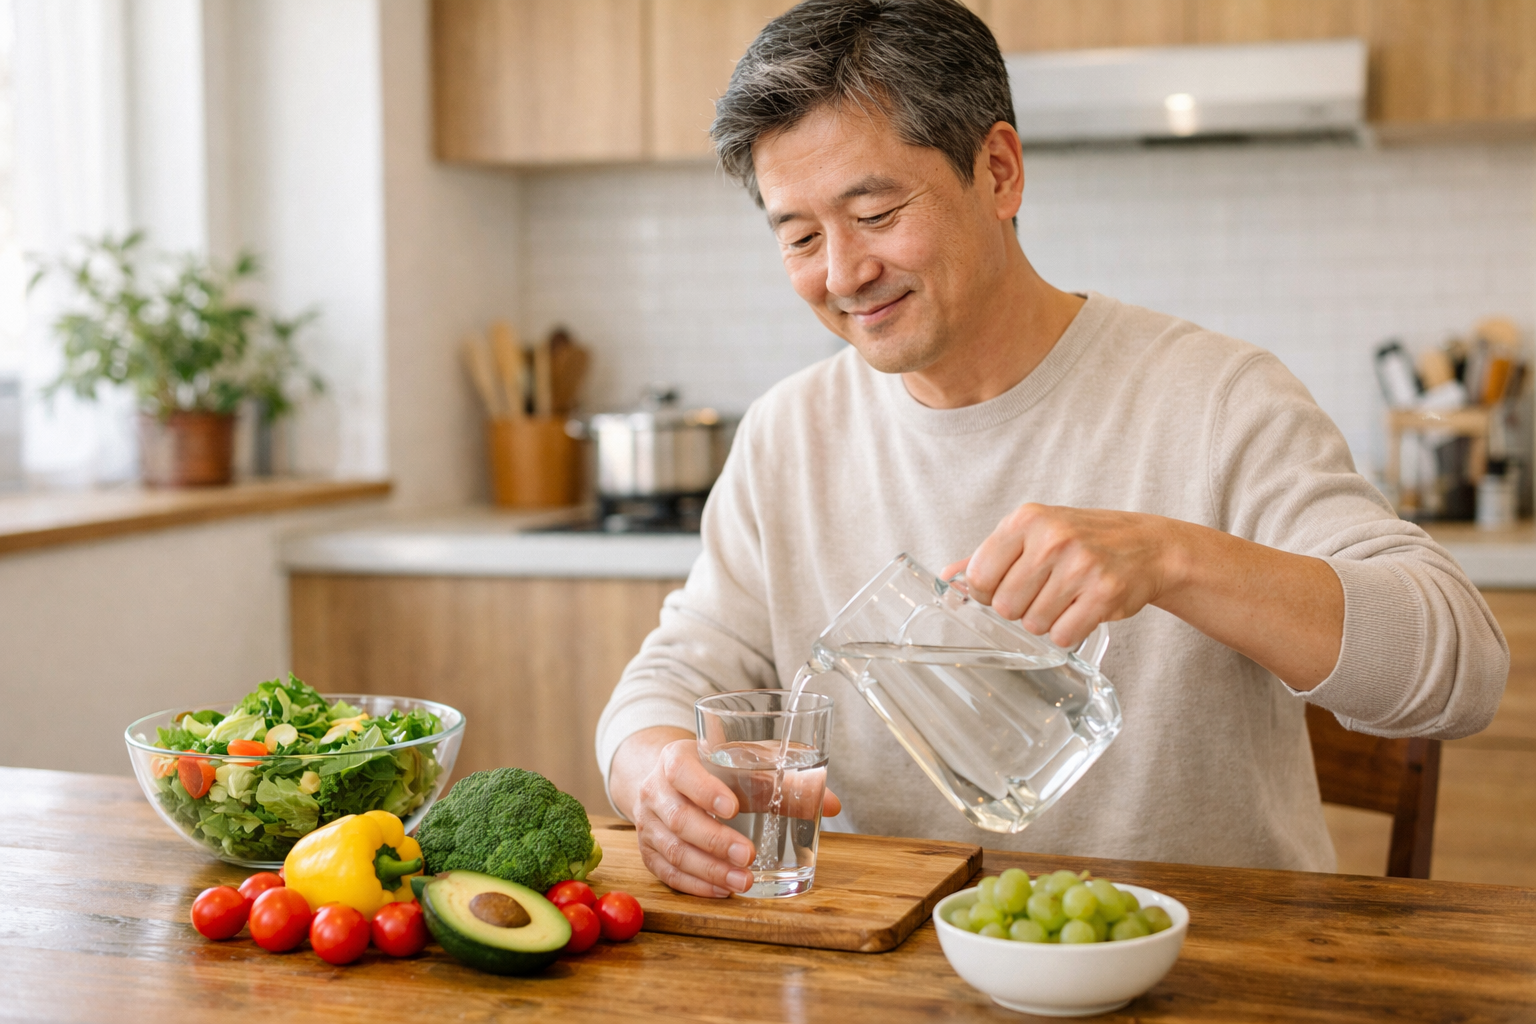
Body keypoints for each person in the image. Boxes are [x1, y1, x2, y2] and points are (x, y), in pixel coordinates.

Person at [594, 0, 1508, 898]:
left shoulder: (1218, 398)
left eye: (874, 214)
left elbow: (1460, 672)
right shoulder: (789, 434)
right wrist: (654, 773)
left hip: (1215, 965)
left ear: (998, 171)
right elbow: (676, 674)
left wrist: (1174, 557)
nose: (841, 274)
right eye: (799, 236)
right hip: (896, 964)